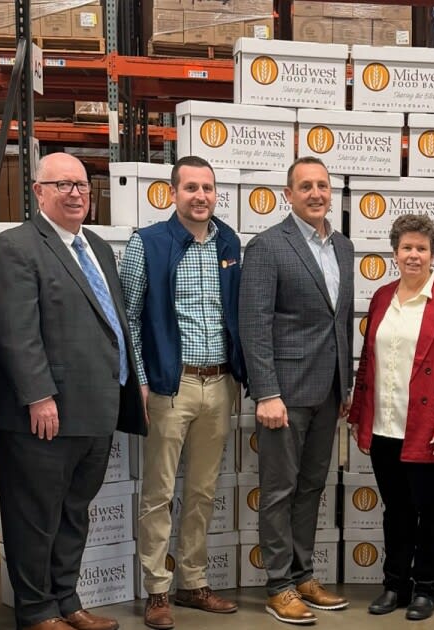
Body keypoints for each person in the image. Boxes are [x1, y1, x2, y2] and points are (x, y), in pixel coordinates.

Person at [0, 152, 146, 630]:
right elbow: (15, 331)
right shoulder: (16, 247)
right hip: (45, 414)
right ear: (39, 191)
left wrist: (133, 381)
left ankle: (67, 601)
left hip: (95, 409)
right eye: (63, 185)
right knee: (35, 516)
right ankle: (36, 611)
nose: (76, 193)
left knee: (74, 513)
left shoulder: (96, 247)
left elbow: (115, 323)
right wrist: (38, 395)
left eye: (81, 185)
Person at [120, 156, 244, 629]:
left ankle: (193, 582)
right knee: (158, 492)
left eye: (208, 188)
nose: (200, 196)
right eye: (191, 187)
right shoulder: (147, 243)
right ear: (173, 193)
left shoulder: (229, 242)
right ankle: (157, 589)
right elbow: (129, 318)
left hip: (220, 383)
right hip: (171, 385)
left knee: (203, 491)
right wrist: (141, 380)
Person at [239, 156, 354, 625]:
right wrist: (267, 392)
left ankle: (304, 575)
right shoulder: (267, 247)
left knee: (311, 487)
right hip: (284, 395)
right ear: (288, 195)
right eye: (305, 186)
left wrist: (346, 383)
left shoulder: (343, 246)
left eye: (322, 186)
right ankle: (278, 586)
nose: (316, 194)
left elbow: (340, 321)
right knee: (279, 490)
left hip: (329, 392)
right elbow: (254, 325)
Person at [347, 214, 434, 621]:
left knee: (431, 513)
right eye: (406, 248)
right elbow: (367, 362)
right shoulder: (382, 297)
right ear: (395, 253)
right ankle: (395, 584)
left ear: (433, 255)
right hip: (385, 424)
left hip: (428, 429)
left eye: (421, 248)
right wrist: (358, 412)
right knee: (395, 511)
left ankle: (426, 587)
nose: (413, 255)